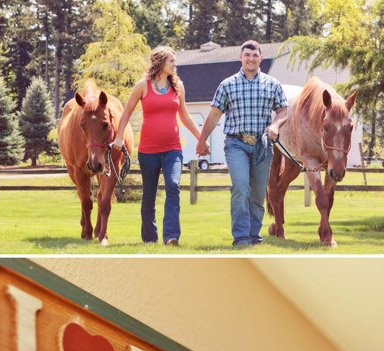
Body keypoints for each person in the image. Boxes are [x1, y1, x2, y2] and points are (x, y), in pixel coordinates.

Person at [196, 40, 288, 246]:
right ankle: (240, 237)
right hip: (236, 144)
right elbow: (214, 115)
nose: (251, 59)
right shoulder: (227, 84)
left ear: (260, 59)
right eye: (247, 55)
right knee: (240, 187)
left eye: (255, 55)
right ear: (241, 57)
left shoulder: (272, 84)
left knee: (257, 193)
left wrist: (275, 125)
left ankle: (253, 236)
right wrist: (202, 140)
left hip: (262, 146)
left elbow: (283, 111)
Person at [112, 46, 202, 246]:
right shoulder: (142, 86)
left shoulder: (178, 86)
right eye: (171, 60)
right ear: (160, 62)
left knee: (173, 185)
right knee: (149, 194)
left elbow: (184, 115)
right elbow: (126, 113)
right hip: (148, 150)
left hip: (172, 149)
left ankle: (171, 236)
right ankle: (150, 238)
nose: (175, 64)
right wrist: (118, 138)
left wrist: (200, 138)